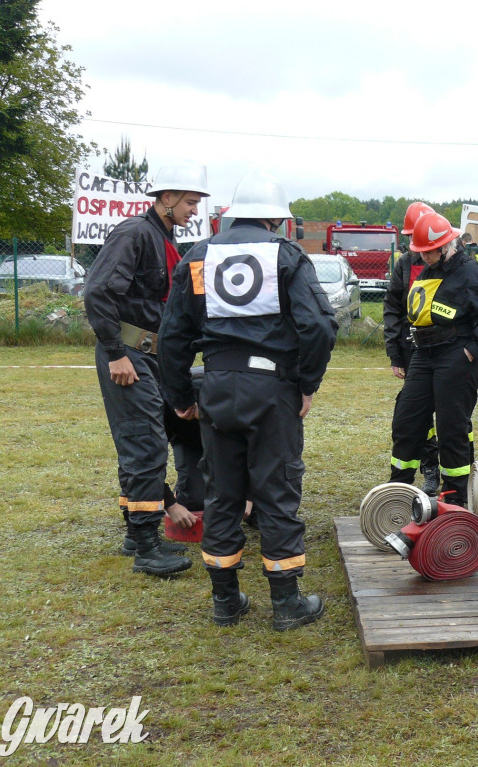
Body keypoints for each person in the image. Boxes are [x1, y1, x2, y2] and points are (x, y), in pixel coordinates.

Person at [158, 171, 337, 630]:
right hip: (272, 389)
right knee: (276, 492)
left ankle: (226, 602)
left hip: (215, 386)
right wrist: (306, 383)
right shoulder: (288, 255)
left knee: (221, 494)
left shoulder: (198, 257)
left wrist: (181, 397)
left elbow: (173, 336)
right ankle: (286, 604)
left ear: (232, 214)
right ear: (276, 220)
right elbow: (318, 326)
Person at [83, 161, 209, 577]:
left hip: (148, 355)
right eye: (190, 202)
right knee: (145, 441)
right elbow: (100, 291)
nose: (194, 211)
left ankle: (135, 533)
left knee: (144, 436)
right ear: (166, 198)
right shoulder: (135, 233)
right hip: (128, 354)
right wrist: (116, 352)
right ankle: (147, 545)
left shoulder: (165, 239)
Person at [388, 211, 478, 505]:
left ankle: (454, 495)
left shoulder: (472, 274)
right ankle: (399, 488)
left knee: (451, 427)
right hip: (423, 354)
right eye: (421, 253)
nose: (423, 258)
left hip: (456, 356)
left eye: (428, 252)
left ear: (445, 247)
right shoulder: (429, 272)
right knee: (407, 420)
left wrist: (470, 351)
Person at [383, 201, 441, 495]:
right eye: (409, 238)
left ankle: (435, 466)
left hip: (444, 350)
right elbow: (392, 307)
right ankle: (417, 468)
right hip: (411, 348)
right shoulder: (405, 264)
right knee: (412, 410)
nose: (413, 244)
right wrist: (395, 353)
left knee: (442, 411)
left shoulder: (451, 262)